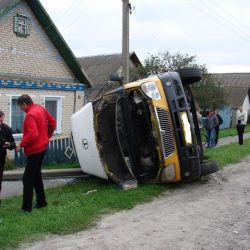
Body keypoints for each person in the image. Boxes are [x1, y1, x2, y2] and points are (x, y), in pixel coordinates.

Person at [16, 95, 56, 213]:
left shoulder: (30, 115)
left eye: (20, 106)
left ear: (24, 104)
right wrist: (46, 136)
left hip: (35, 151)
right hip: (43, 148)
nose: (21, 109)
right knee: (36, 175)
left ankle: (26, 208)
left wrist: (21, 144)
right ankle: (41, 202)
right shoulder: (40, 108)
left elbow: (32, 134)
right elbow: (53, 122)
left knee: (27, 179)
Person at [0, 111, 15, 204]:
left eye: (1, 121)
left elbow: (13, 144)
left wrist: (9, 144)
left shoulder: (7, 129)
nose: (1, 123)